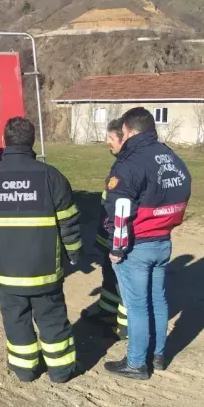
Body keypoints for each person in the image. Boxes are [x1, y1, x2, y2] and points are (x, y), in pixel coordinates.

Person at [0, 117, 82, 383]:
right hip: (45, 271)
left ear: (5, 142)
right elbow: (69, 223)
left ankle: (24, 370)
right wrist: (74, 254)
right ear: (32, 141)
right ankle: (61, 371)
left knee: (15, 319)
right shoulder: (52, 176)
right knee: (52, 318)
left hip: (6, 271)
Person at [103, 107, 192, 380]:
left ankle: (137, 363)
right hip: (163, 239)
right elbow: (184, 188)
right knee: (158, 299)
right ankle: (158, 354)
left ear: (128, 130)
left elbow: (119, 209)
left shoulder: (130, 162)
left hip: (136, 244)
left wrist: (117, 249)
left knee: (138, 305)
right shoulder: (170, 156)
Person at [80, 118, 128, 340]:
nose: (108, 142)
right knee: (109, 273)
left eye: (111, 138)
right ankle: (108, 311)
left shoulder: (130, 165)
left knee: (126, 280)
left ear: (123, 137)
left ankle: (125, 327)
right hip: (109, 232)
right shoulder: (122, 161)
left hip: (120, 234)